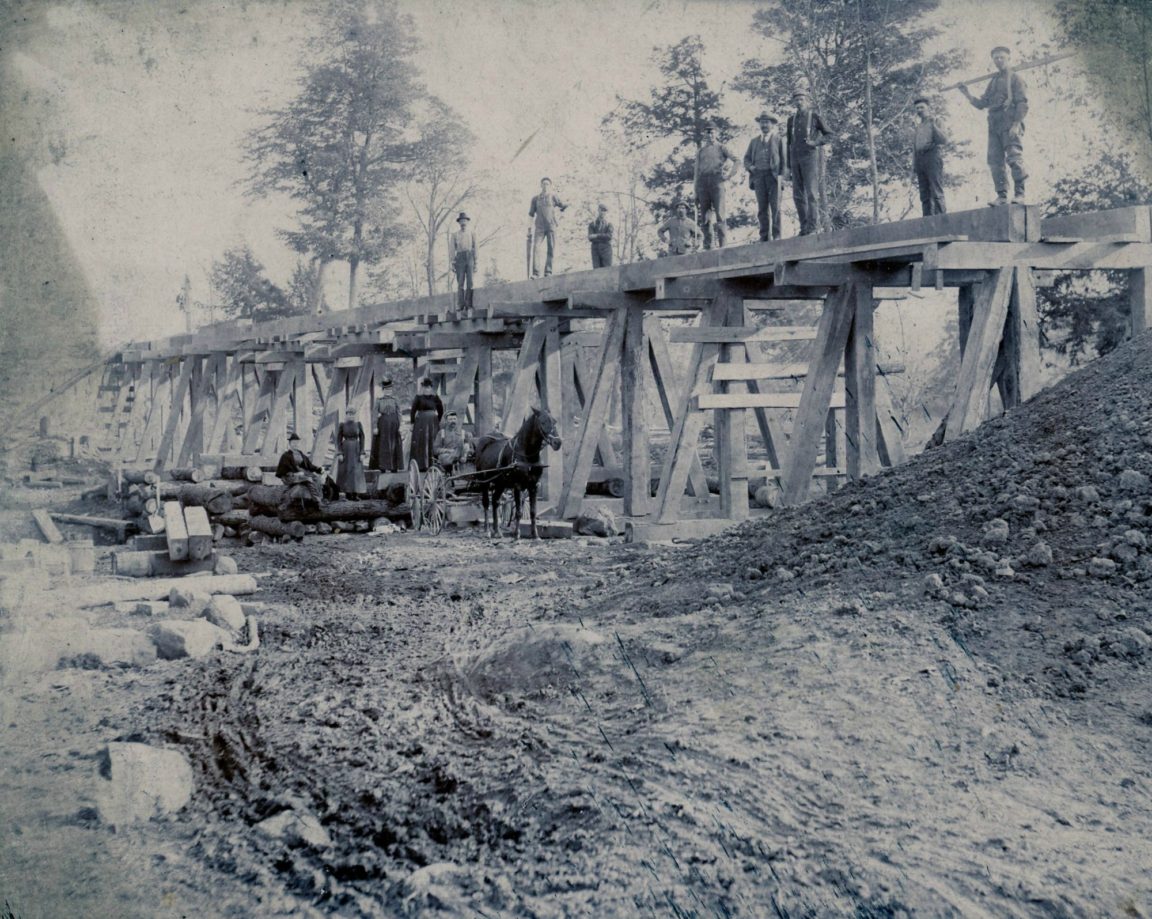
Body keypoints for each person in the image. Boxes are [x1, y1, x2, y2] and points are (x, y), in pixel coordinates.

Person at [959, 46, 1029, 206]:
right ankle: (1002, 196)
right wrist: (966, 93)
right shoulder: (994, 82)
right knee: (995, 161)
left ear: (1008, 58)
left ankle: (1020, 194)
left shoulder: (1015, 79)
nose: (999, 60)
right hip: (994, 125)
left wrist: (1016, 124)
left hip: (1009, 122)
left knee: (1014, 158)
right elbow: (982, 103)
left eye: (1002, 57)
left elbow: (1022, 103)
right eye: (996, 58)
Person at [785, 85, 833, 236]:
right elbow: (788, 143)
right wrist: (787, 166)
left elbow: (829, 135)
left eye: (801, 99)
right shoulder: (791, 120)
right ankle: (804, 228)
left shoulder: (814, 117)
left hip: (809, 157)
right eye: (796, 100)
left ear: (807, 100)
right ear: (793, 102)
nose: (799, 102)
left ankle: (813, 227)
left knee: (811, 193)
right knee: (797, 195)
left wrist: (815, 143)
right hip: (795, 159)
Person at [693, 123, 739, 249]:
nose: (710, 135)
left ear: (716, 133)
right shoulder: (700, 151)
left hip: (716, 181)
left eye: (712, 132)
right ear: (704, 134)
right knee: (705, 217)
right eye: (707, 133)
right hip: (703, 184)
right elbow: (696, 173)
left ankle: (723, 245)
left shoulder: (721, 147)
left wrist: (728, 175)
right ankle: (708, 246)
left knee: (720, 214)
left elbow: (737, 160)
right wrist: (695, 191)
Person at [743, 111, 787, 240]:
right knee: (762, 208)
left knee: (776, 207)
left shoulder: (778, 140)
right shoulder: (754, 141)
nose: (764, 125)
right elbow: (746, 159)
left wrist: (782, 177)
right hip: (758, 177)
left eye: (767, 122)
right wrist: (750, 167)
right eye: (762, 123)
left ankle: (777, 236)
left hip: (774, 177)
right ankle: (764, 237)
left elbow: (784, 160)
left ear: (772, 125)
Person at [911, 96, 948, 216]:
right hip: (920, 159)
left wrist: (933, 125)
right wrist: (914, 165)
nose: (919, 110)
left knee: (936, 189)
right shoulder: (918, 126)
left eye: (922, 107)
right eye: (917, 108)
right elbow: (915, 147)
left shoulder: (936, 121)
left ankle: (941, 217)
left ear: (928, 108)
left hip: (932, 156)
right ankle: (927, 219)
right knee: (924, 193)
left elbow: (943, 139)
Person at [528, 177, 567, 277]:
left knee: (551, 248)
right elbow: (531, 214)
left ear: (550, 186)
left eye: (547, 184)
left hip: (551, 226)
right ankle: (536, 273)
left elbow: (562, 206)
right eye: (544, 184)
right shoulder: (535, 199)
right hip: (539, 227)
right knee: (536, 247)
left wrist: (564, 208)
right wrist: (529, 229)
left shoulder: (553, 196)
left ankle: (548, 272)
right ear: (541, 185)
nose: (545, 186)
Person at [275, 432, 324, 505]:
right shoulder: (286, 455)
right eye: (293, 442)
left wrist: (319, 469)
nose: (295, 444)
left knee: (317, 478)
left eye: (297, 442)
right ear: (290, 443)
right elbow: (284, 470)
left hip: (302, 474)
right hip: (290, 476)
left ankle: (320, 498)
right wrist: (295, 473)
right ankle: (317, 501)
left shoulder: (300, 453)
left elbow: (309, 465)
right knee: (308, 479)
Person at [409, 377, 443, 472]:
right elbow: (413, 410)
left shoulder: (435, 397)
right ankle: (421, 465)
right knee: (421, 442)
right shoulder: (418, 397)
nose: (426, 389)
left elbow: (441, 409)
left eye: (428, 387)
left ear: (431, 388)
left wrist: (437, 420)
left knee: (433, 441)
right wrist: (412, 423)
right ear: (422, 388)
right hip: (421, 423)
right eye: (424, 387)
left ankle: (432, 464)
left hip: (433, 423)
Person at [370, 377, 403, 473]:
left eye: (390, 389)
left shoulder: (395, 399)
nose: (388, 391)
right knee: (383, 445)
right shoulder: (379, 400)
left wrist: (401, 426)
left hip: (394, 424)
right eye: (386, 389)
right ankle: (382, 466)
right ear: (383, 390)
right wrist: (375, 426)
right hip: (383, 424)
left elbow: (399, 413)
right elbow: (374, 414)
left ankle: (394, 466)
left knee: (394, 445)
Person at [335, 408, 368, 500]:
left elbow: (362, 438)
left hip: (356, 450)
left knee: (356, 471)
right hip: (345, 449)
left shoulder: (358, 424)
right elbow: (338, 440)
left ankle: (355, 493)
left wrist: (362, 453)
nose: (351, 416)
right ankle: (347, 493)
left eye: (353, 414)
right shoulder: (342, 425)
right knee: (346, 470)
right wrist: (339, 453)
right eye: (349, 414)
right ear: (346, 415)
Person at [449, 211, 477, 313]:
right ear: (459, 223)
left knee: (470, 282)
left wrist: (476, 262)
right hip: (459, 257)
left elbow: (475, 248)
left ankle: (469, 305)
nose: (463, 223)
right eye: (461, 221)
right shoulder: (455, 235)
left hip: (469, 257)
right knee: (460, 282)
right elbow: (452, 249)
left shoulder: (472, 233)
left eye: (465, 221)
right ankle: (460, 305)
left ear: (467, 222)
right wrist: (452, 262)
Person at [588, 203, 614, 268]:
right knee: (597, 270)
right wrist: (603, 237)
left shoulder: (608, 224)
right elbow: (590, 237)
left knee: (607, 269)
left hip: (606, 250)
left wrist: (596, 235)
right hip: (595, 250)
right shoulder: (593, 224)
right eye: (602, 210)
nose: (603, 212)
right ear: (598, 210)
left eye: (604, 211)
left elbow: (609, 236)